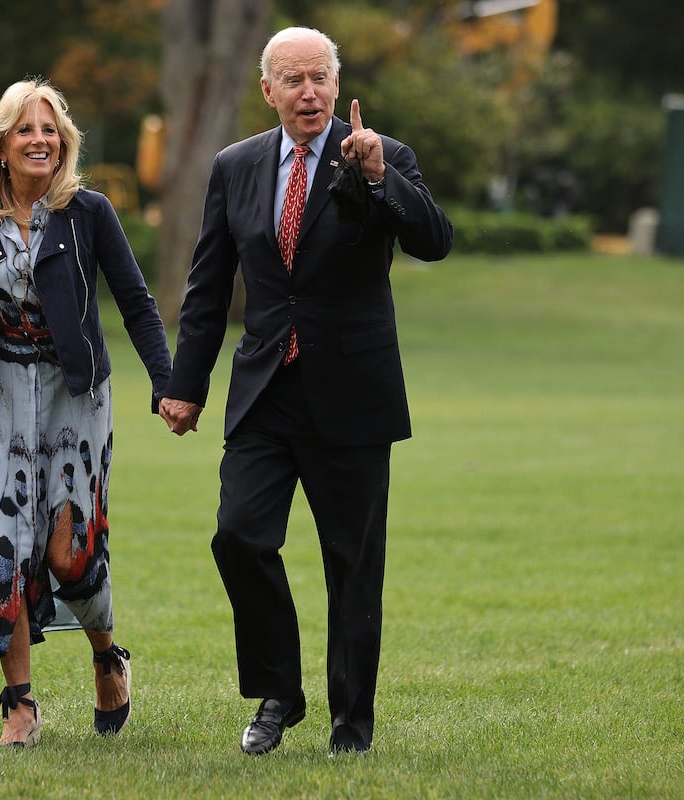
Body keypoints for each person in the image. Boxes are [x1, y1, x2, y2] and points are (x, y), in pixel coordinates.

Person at [158, 27, 452, 756]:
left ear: (337, 82)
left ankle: (351, 725)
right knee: (239, 535)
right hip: (265, 390)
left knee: (352, 566)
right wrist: (185, 386)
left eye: (320, 77)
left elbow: (434, 240)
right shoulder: (236, 166)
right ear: (268, 91)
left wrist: (382, 176)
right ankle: (278, 694)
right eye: (293, 79)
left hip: (352, 393)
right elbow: (206, 286)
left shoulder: (380, 156)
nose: (309, 91)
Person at [0, 78, 172, 748]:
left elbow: (138, 304)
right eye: (26, 130)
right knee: (4, 545)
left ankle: (108, 656)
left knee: (67, 551)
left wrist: (167, 383)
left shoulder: (88, 213)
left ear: (64, 143)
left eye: (50, 131)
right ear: (1, 143)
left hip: (73, 395)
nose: (40, 141)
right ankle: (20, 702)